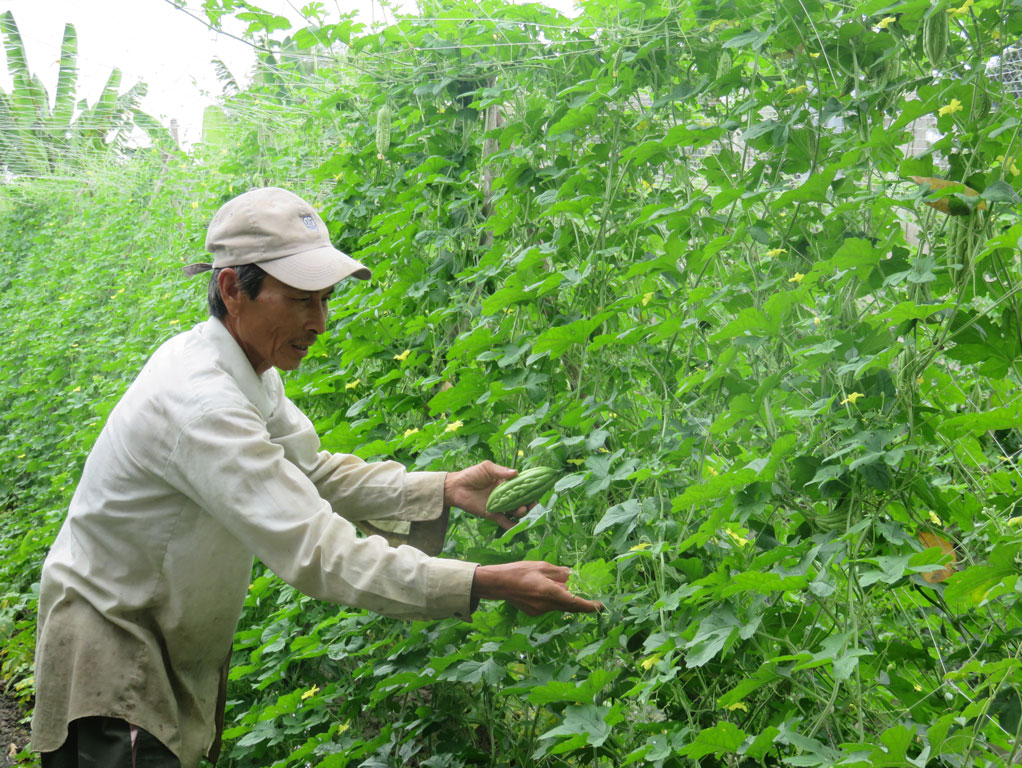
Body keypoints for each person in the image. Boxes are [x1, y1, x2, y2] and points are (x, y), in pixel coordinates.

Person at [31, 187, 601, 768]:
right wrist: (484, 580)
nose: (320, 322)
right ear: (232, 289)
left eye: (325, 299)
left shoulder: (244, 370)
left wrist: (443, 487)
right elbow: (317, 551)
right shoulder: (202, 405)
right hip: (118, 652)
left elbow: (312, 472)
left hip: (159, 638)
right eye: (302, 300)